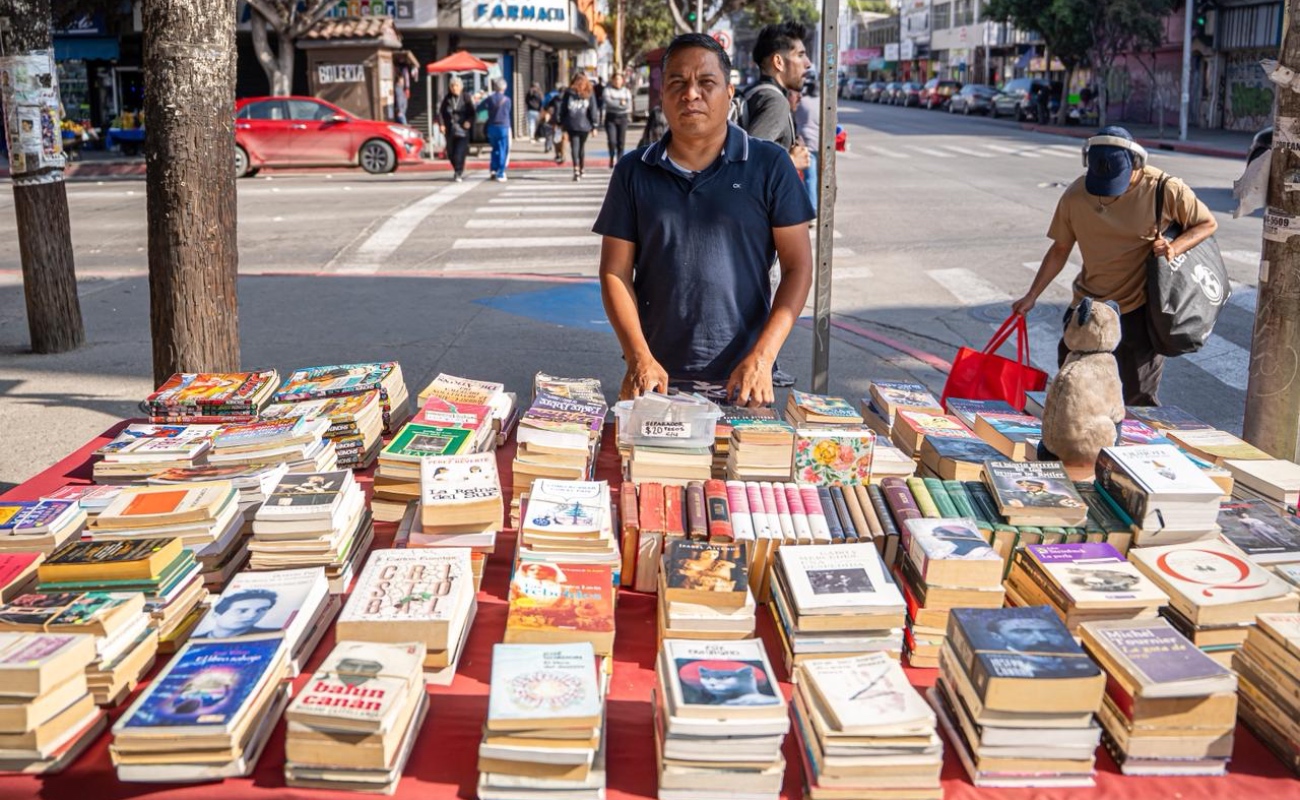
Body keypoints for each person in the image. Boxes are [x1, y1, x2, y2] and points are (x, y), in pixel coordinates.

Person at [594, 33, 815, 407]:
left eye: (706, 82)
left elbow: (799, 267)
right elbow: (614, 272)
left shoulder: (769, 165)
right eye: (677, 83)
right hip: (655, 378)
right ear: (662, 96)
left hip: (745, 379)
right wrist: (638, 357)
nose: (691, 94)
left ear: (729, 93)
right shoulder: (633, 171)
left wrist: (763, 358)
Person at [1013, 126, 1218, 405]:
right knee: (1073, 395)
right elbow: (1060, 249)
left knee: (1136, 401)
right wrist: (1032, 295)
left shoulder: (1164, 189)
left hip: (1137, 312)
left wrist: (1174, 247)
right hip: (1087, 308)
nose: (1108, 193)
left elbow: (1206, 223)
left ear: (1137, 162)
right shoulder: (1076, 195)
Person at [739, 21, 813, 389]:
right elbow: (753, 154)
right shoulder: (774, 100)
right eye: (800, 54)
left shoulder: (756, 93)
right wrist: (790, 160)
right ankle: (761, 365)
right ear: (779, 62)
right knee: (766, 292)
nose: (808, 63)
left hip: (746, 219)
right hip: (757, 221)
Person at [558, 72, 600, 181]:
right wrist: (594, 126)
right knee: (578, 147)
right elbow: (593, 110)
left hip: (579, 124)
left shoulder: (584, 93)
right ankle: (578, 168)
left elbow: (592, 110)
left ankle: (578, 168)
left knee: (577, 147)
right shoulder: (572, 93)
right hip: (577, 124)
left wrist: (561, 122)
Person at [195, 589, 279, 639]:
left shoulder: (274, 635)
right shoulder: (194, 639)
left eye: (261, 610)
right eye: (242, 610)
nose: (252, 616)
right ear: (216, 615)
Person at [438, 77, 475, 182]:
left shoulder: (466, 97)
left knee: (459, 152)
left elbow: (472, 113)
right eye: (452, 86)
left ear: (461, 87)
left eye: (456, 86)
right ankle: (457, 168)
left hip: (462, 130)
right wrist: (441, 124)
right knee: (451, 153)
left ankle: (458, 172)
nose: (454, 88)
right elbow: (441, 112)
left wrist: (469, 122)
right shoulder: (447, 98)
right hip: (450, 130)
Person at [794, 76, 819, 214]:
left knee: (810, 177)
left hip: (807, 141)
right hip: (821, 142)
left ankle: (812, 209)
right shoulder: (823, 102)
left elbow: (795, 118)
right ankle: (819, 205)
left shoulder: (802, 102)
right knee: (822, 177)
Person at [482, 77, 513, 182]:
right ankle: (501, 172)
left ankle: (493, 169)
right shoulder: (507, 100)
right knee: (503, 149)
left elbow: (481, 107)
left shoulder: (490, 99)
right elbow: (508, 112)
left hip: (492, 126)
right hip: (503, 126)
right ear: (504, 88)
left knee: (495, 148)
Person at [603, 72, 632, 167]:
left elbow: (628, 105)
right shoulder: (607, 90)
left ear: (622, 81)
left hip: (623, 118)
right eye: (615, 79)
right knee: (612, 141)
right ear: (612, 80)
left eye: (619, 79)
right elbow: (609, 103)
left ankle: (619, 161)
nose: (617, 81)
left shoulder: (626, 91)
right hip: (611, 118)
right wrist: (621, 102)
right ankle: (612, 157)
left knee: (621, 142)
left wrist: (617, 102)